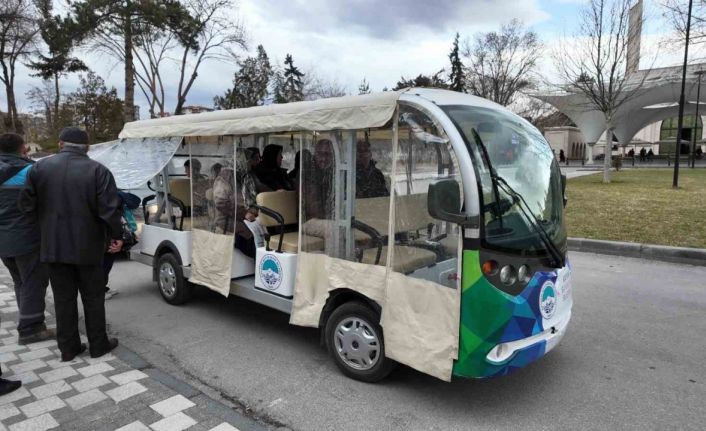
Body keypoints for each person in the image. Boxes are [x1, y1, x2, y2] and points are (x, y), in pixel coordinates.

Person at [20, 127, 122, 362]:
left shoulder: (38, 168)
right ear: (87, 147)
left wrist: (44, 228)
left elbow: (25, 207)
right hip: (89, 246)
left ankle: (68, 348)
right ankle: (98, 345)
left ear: (60, 143)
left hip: (53, 246)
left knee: (63, 299)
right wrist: (117, 236)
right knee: (93, 297)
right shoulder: (98, 170)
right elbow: (109, 210)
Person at [0, 133, 53, 346]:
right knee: (33, 281)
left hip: (3, 241)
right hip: (27, 237)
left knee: (20, 280)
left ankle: (28, 319)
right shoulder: (31, 171)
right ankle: (31, 329)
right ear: (23, 148)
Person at [103, 190, 140, 300]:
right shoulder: (116, 195)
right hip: (109, 235)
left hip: (109, 234)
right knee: (105, 263)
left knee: (106, 262)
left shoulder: (110, 195)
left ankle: (103, 288)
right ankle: (100, 290)